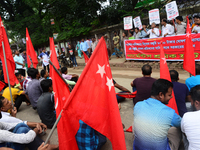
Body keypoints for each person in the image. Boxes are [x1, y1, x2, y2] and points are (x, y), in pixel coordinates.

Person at [133, 79, 182, 150]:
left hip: (138, 148)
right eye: (169, 95)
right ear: (161, 95)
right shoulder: (170, 112)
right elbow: (182, 124)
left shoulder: (138, 105)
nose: (171, 97)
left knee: (136, 122)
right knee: (177, 129)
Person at [181, 85, 200, 150]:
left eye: (191, 101)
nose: (191, 103)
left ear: (197, 103)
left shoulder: (187, 116)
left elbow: (185, 134)